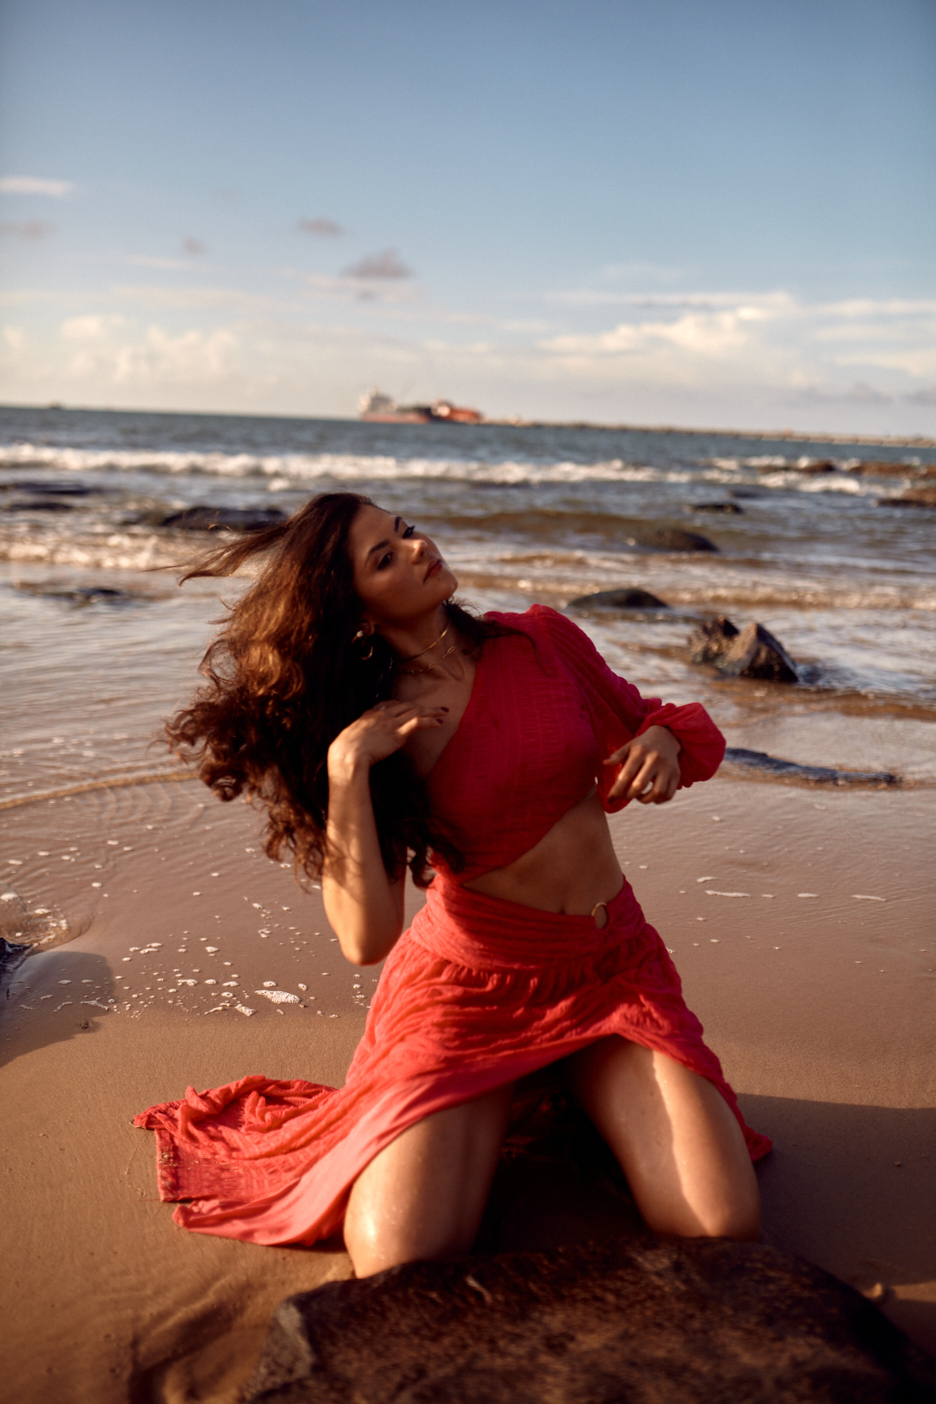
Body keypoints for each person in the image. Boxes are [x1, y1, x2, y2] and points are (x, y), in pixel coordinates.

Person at [136, 492, 770, 1276]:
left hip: (610, 974)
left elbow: (668, 720)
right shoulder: (377, 729)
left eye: (403, 532)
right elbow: (366, 940)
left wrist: (666, 742)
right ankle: (524, 1096)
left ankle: (564, 1091)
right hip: (474, 993)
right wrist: (346, 770)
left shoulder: (541, 640)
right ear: (355, 611)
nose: (415, 548)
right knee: (400, 1255)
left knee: (720, 1223)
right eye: (383, 558)